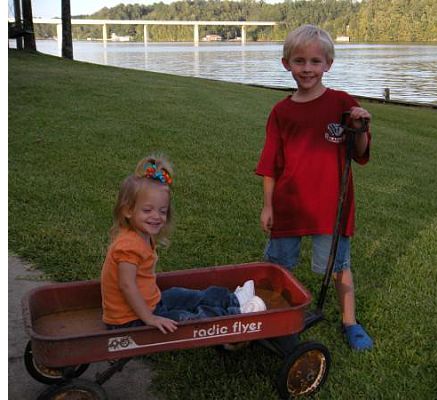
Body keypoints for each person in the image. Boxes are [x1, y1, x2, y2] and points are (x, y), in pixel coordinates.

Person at [255, 25, 373, 350]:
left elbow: (360, 152)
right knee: (278, 265)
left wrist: (361, 126)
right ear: (286, 64)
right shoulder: (281, 112)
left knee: (339, 267)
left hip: (331, 206)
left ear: (328, 64)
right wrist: (268, 205)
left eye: (315, 61)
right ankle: (271, 314)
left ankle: (350, 322)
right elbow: (270, 165)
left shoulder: (342, 103)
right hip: (289, 205)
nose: (307, 68)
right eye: (299, 61)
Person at [101, 154, 266, 334]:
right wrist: (149, 318)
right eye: (147, 210)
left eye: (162, 211)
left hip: (151, 303)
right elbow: (127, 285)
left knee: (182, 295)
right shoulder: (128, 246)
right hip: (130, 320)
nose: (156, 216)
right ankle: (236, 315)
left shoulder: (142, 235)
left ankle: (233, 299)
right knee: (187, 319)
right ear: (127, 211)